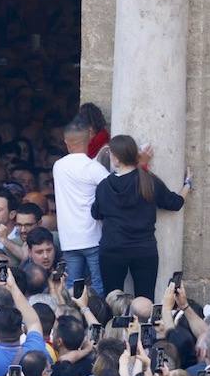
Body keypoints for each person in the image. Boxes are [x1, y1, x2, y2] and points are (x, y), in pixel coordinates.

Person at [91, 134, 190, 298]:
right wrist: (188, 184)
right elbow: (175, 203)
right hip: (144, 250)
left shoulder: (104, 186)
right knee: (145, 301)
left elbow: (96, 213)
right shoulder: (148, 181)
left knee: (111, 300)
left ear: (115, 159)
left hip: (112, 250)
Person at [52, 118, 109, 297]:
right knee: (99, 285)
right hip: (93, 236)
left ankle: (73, 320)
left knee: (72, 286)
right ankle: (98, 321)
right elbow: (113, 189)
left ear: (66, 142)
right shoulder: (94, 168)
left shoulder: (58, 166)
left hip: (69, 238)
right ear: (89, 140)